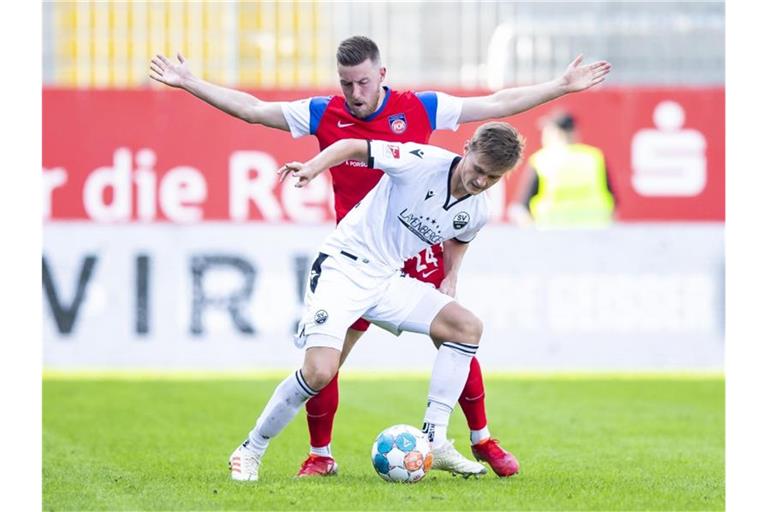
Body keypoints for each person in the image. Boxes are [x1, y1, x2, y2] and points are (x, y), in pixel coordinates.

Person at [149, 36, 611, 478]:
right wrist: (191, 82)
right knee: (322, 368)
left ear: (381, 75)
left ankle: (457, 438)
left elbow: (493, 106)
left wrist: (558, 86)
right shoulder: (339, 120)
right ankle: (304, 453)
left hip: (406, 256)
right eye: (346, 83)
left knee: (462, 329)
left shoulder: (421, 113)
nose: (354, 92)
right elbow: (253, 110)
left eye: (363, 82)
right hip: (352, 256)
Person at [228, 121, 525, 481]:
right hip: (343, 268)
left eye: (492, 178)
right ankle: (250, 449)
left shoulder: (478, 208)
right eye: (478, 170)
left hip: (387, 280)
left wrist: (451, 276)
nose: (480, 182)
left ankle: (436, 437)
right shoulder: (421, 161)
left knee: (466, 328)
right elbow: (354, 145)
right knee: (319, 372)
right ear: (467, 147)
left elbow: (461, 236)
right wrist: (313, 167)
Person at [511, 111, 615, 228]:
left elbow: (522, 209)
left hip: (552, 237)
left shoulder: (542, 161)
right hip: (594, 235)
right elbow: (613, 203)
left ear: (555, 133)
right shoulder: (595, 158)